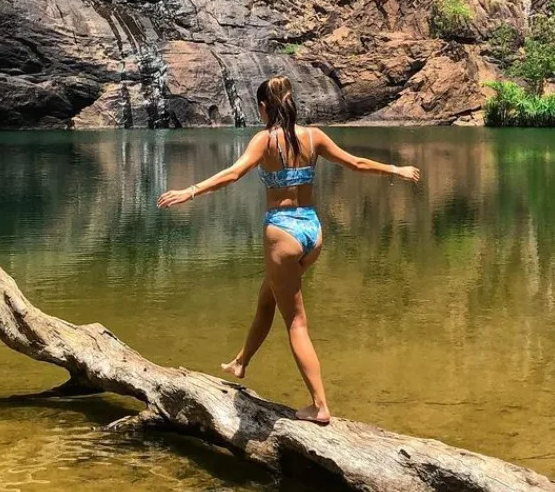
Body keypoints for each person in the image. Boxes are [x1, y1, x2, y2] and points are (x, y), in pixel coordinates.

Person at [156, 74, 420, 424]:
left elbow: (233, 174)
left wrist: (189, 192)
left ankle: (320, 405)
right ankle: (241, 362)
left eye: (260, 108)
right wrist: (395, 169)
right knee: (268, 297)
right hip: (312, 232)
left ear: (265, 107)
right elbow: (355, 163)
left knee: (296, 323)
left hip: (282, 234)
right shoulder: (314, 137)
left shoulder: (265, 141)